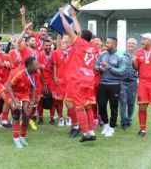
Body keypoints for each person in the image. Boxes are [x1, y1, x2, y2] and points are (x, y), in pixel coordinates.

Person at [61, 8, 98, 142]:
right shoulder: (94, 48)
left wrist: (62, 17)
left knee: (79, 107)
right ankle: (92, 132)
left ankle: (85, 132)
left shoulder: (79, 44)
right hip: (89, 78)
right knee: (88, 105)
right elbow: (78, 31)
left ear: (80, 37)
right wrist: (74, 17)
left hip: (77, 79)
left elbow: (69, 30)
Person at [95, 37, 125, 137]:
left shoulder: (121, 56)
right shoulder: (102, 54)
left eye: (108, 43)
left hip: (114, 85)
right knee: (102, 105)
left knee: (113, 106)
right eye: (106, 42)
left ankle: (112, 127)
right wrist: (100, 68)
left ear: (114, 44)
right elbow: (95, 66)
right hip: (102, 84)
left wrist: (110, 67)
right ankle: (106, 125)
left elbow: (122, 71)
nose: (106, 44)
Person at [6, 57, 39, 148]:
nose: (38, 66)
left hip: (24, 93)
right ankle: (16, 139)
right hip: (13, 92)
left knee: (27, 114)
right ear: (29, 66)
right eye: (36, 65)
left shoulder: (35, 73)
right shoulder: (18, 73)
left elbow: (33, 86)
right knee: (17, 111)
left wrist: (32, 100)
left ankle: (22, 137)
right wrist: (14, 101)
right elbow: (8, 86)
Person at [119, 38, 138, 130]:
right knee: (123, 102)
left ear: (136, 45)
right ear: (126, 44)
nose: (131, 44)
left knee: (131, 103)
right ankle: (123, 122)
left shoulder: (138, 55)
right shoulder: (121, 54)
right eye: (129, 43)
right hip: (122, 82)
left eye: (133, 43)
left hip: (133, 83)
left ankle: (129, 120)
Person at [53, 34, 72, 126]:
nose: (66, 40)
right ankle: (61, 117)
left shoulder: (73, 51)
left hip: (70, 80)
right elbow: (55, 65)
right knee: (59, 100)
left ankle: (69, 117)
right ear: (61, 41)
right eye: (64, 38)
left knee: (69, 99)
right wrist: (55, 77)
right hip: (60, 79)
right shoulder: (57, 52)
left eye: (68, 38)